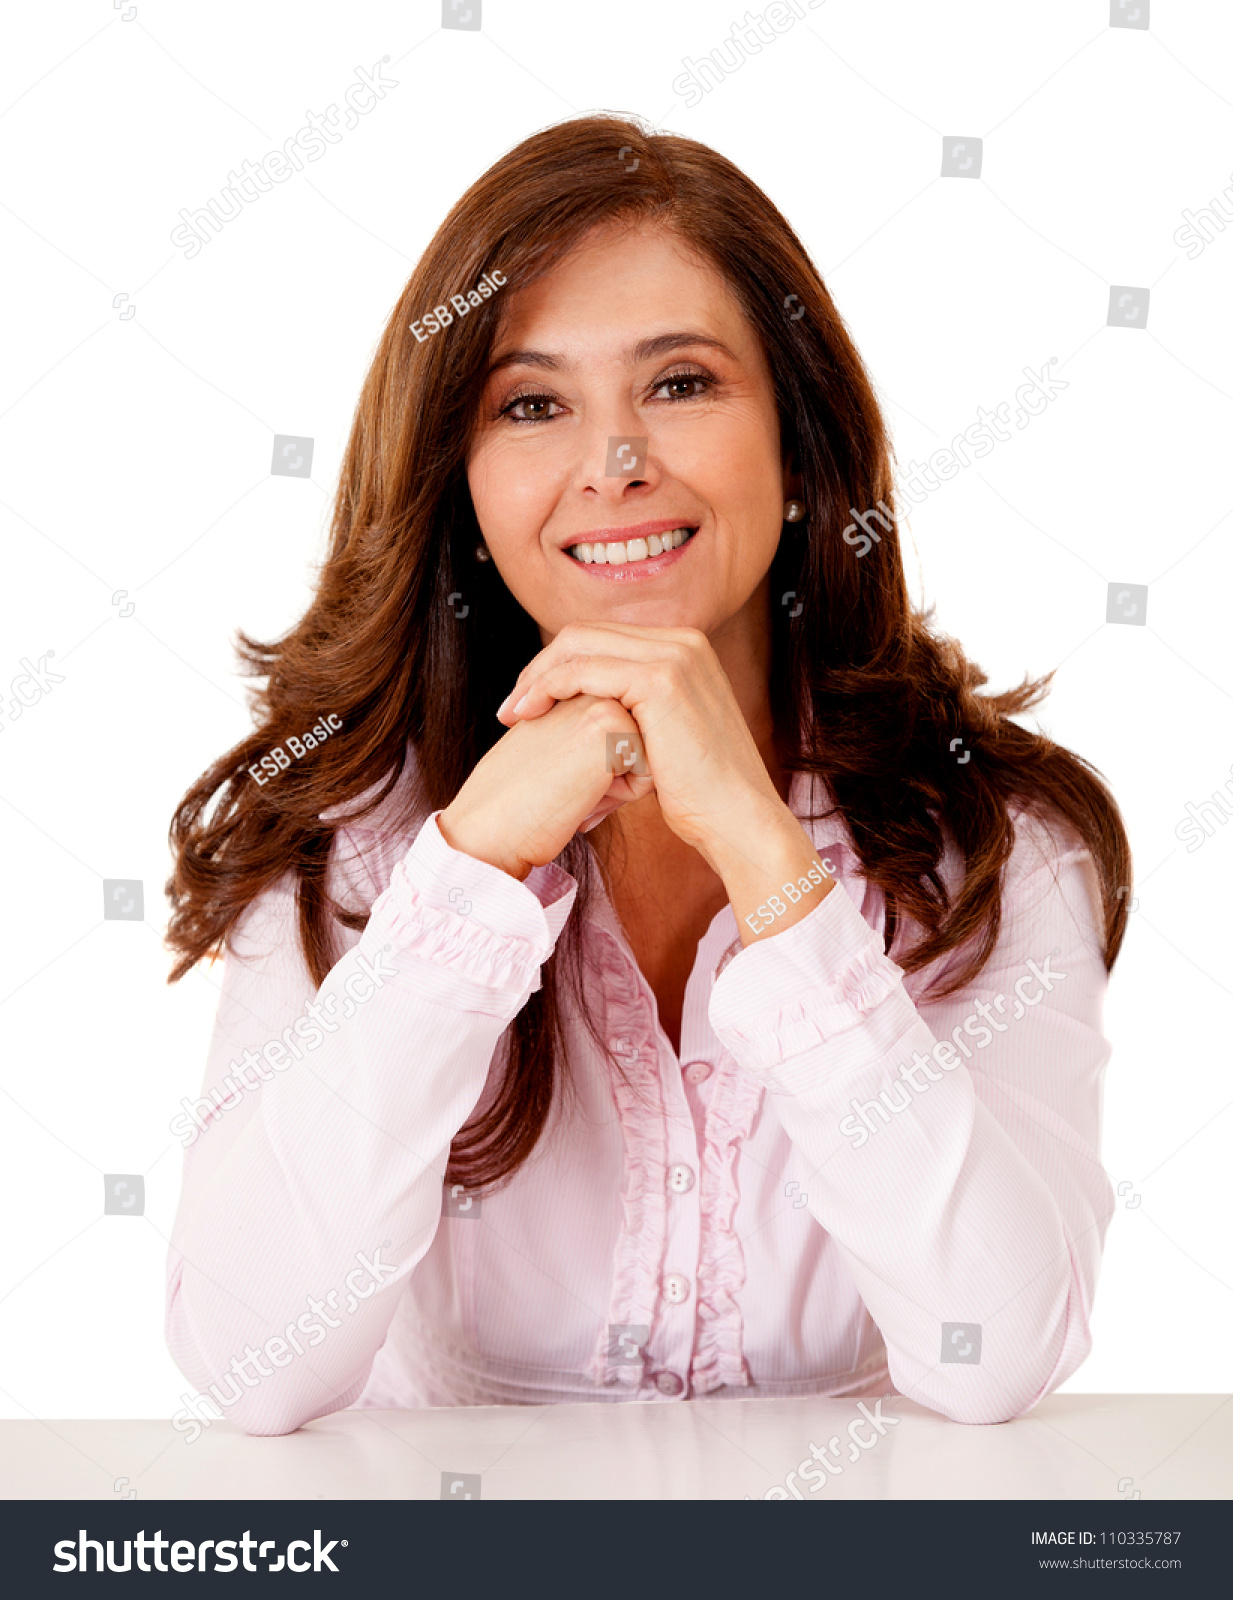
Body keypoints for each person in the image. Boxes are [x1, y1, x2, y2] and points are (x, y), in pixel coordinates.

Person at [163, 114, 1131, 1439]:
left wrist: (772, 869)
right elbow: (249, 1369)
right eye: (532, 404)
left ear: (798, 455)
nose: (612, 465)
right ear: (463, 484)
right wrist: (469, 875)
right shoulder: (346, 837)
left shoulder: (997, 838)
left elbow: (995, 1353)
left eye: (679, 384)